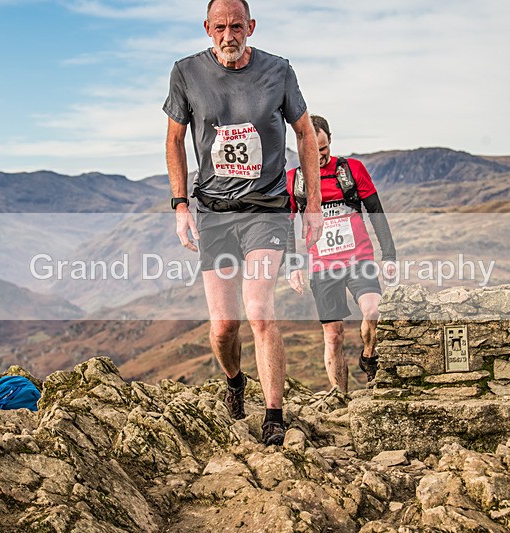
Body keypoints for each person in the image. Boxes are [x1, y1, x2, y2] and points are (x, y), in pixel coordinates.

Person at [164, 0, 323, 445]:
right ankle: (235, 381)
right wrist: (180, 205)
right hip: (214, 213)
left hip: (266, 210)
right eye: (220, 27)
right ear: (206, 28)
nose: (228, 35)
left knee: (259, 312)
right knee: (223, 327)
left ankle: (274, 414)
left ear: (251, 27)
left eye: (237, 26)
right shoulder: (186, 73)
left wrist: (312, 200)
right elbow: (174, 141)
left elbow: (306, 133)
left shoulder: (279, 71)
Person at [286, 115, 397, 393]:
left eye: (323, 148)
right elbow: (285, 225)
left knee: (373, 311)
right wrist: (292, 266)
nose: (319, 155)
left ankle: (369, 356)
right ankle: (341, 398)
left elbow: (376, 212)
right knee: (333, 336)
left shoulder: (352, 170)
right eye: (313, 149)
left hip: (359, 260)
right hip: (322, 267)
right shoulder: (294, 181)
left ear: (330, 141)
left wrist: (389, 255)